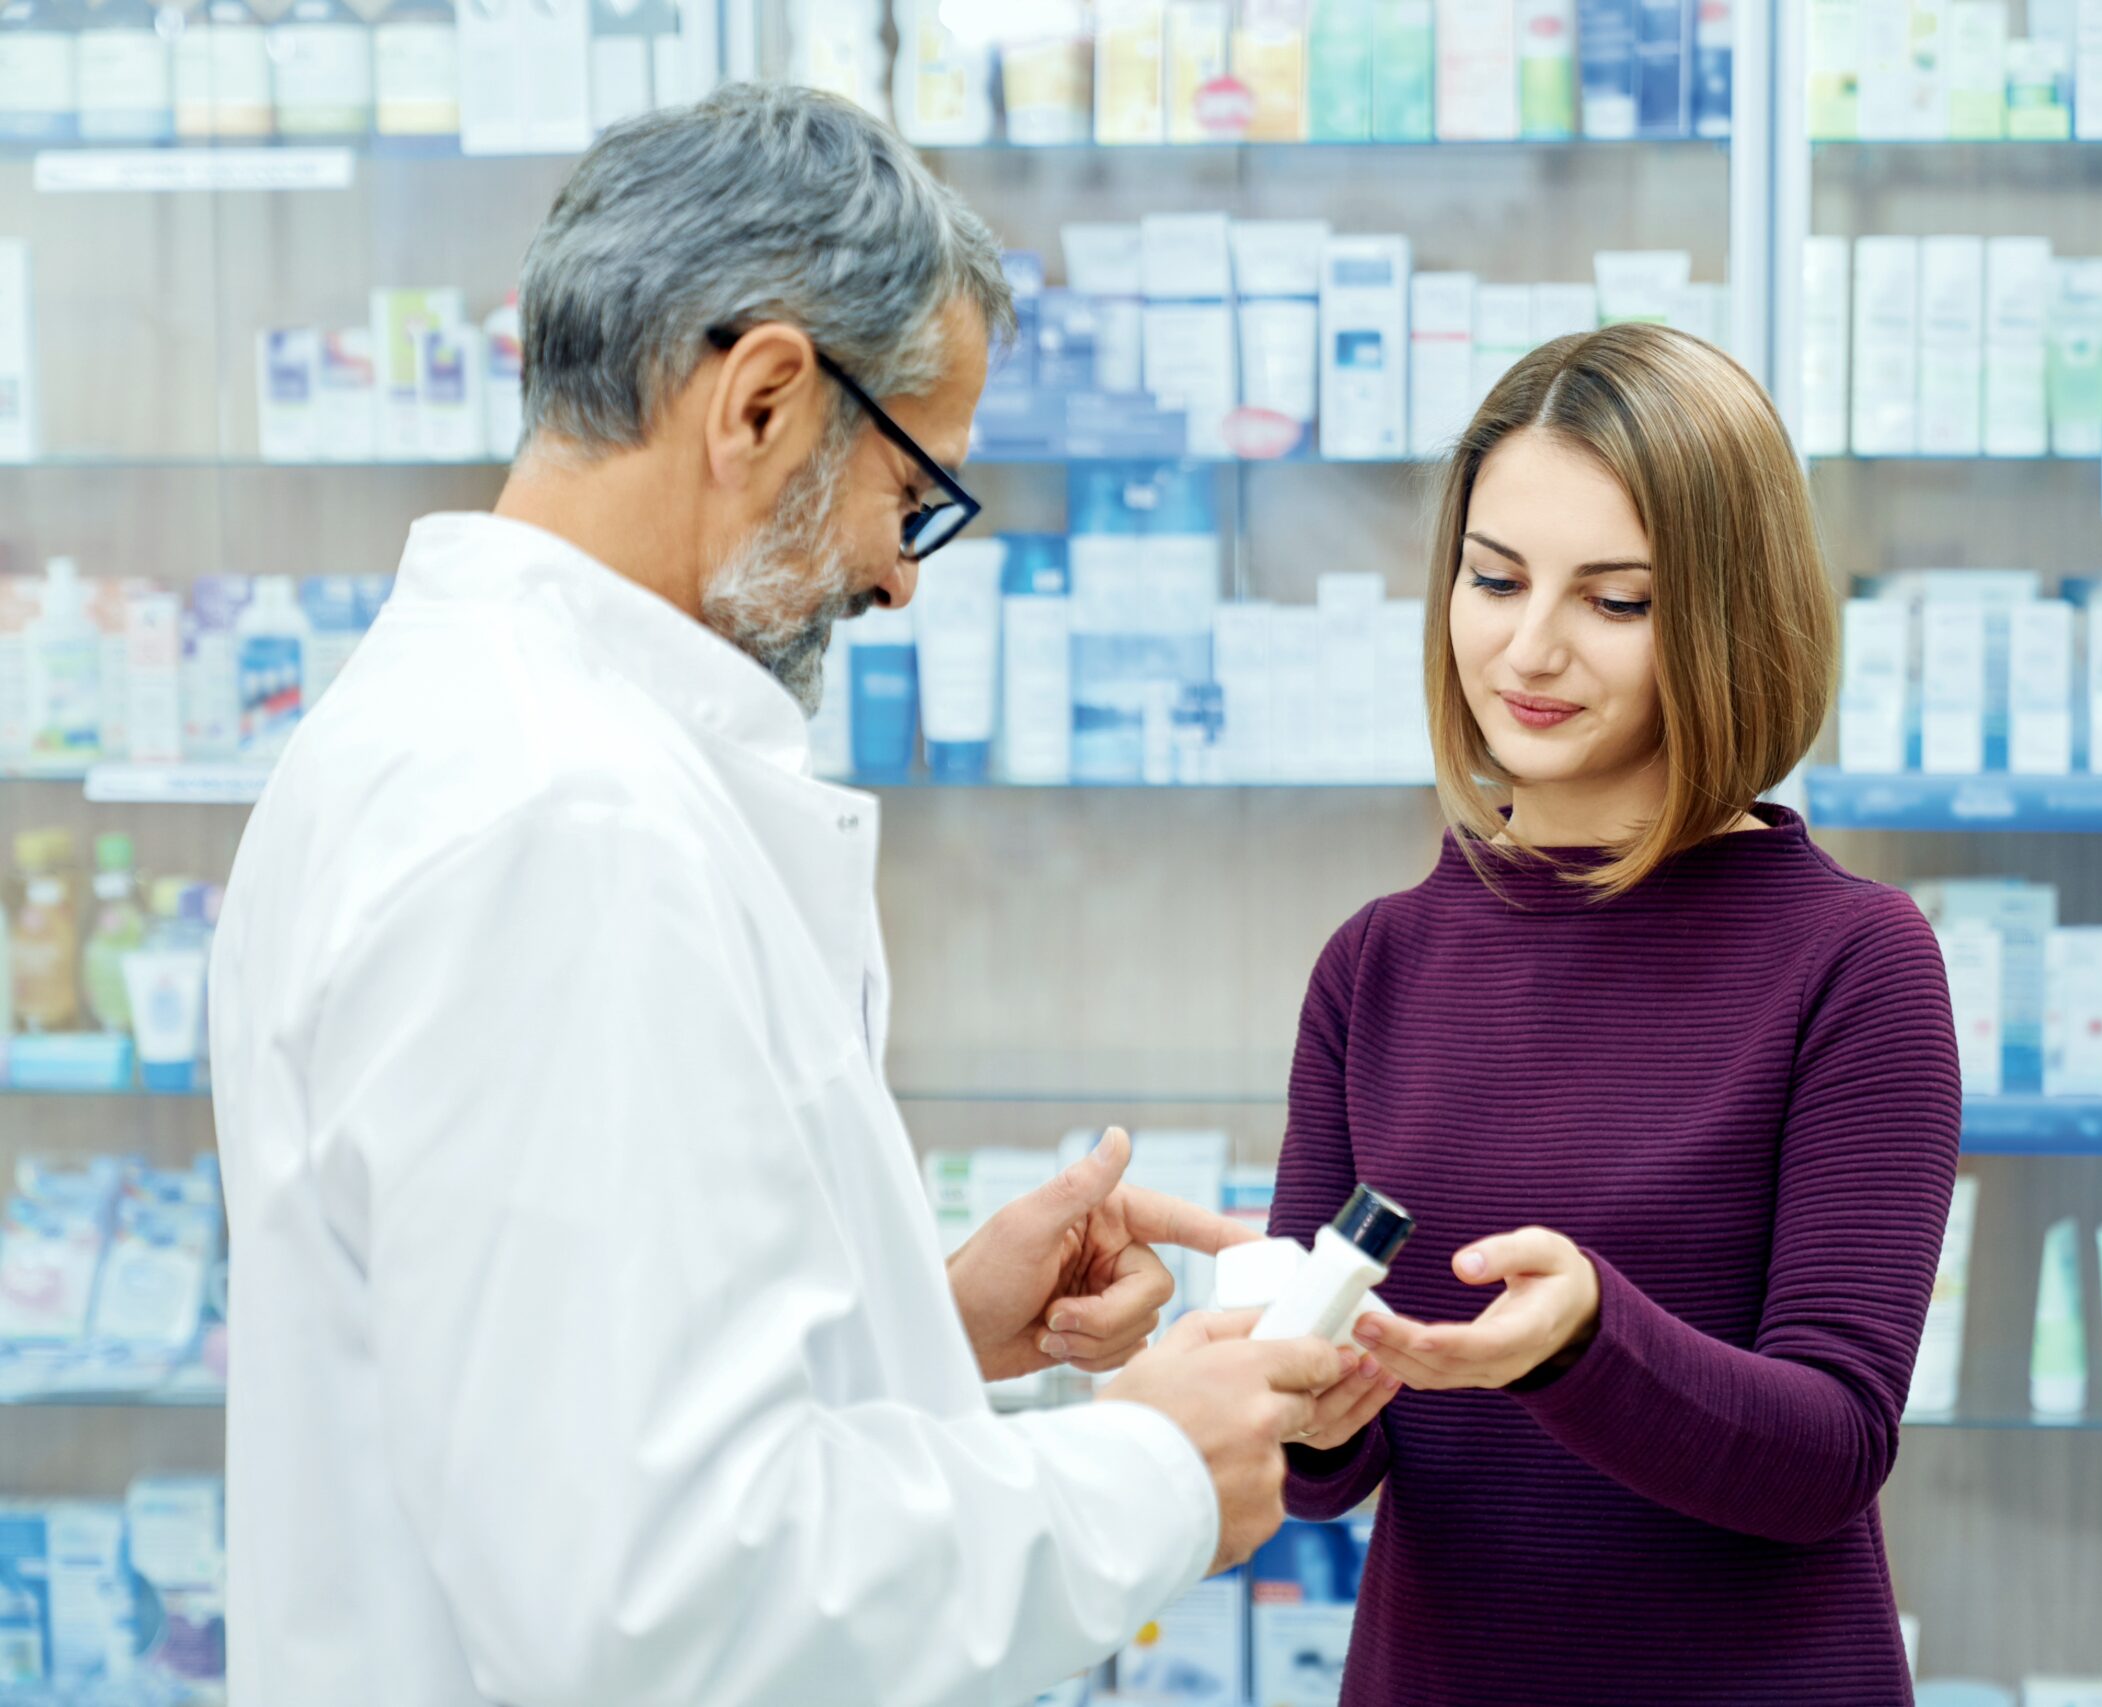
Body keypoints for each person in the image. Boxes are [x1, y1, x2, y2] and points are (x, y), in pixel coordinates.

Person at [208, 84, 1343, 1707]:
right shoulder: (564, 825)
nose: (898, 575)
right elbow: (664, 1603)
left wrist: (917, 1327)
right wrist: (1154, 1470)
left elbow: (534, 1414)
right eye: (913, 494)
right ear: (758, 403)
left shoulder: (453, 734)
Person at [1271, 324, 1963, 1704]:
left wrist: (1590, 1341)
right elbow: (1321, 1475)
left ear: (1724, 617)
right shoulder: (1377, 966)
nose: (1528, 649)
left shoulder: (1854, 961)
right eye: (1494, 578)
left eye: (1615, 601)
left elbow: (1830, 1450)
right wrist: (1269, 1362)